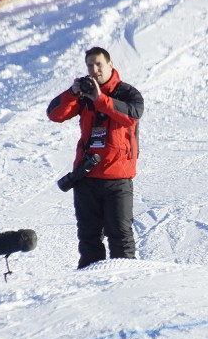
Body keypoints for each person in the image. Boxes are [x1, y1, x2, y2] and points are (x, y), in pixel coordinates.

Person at [47, 47, 143, 268]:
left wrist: (100, 99)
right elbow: (54, 114)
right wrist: (72, 92)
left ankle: (127, 288)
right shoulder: (83, 96)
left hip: (117, 180)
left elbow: (132, 115)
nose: (94, 69)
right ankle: (89, 293)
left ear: (110, 65)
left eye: (99, 64)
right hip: (86, 177)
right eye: (90, 65)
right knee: (89, 241)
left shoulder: (127, 93)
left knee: (120, 239)